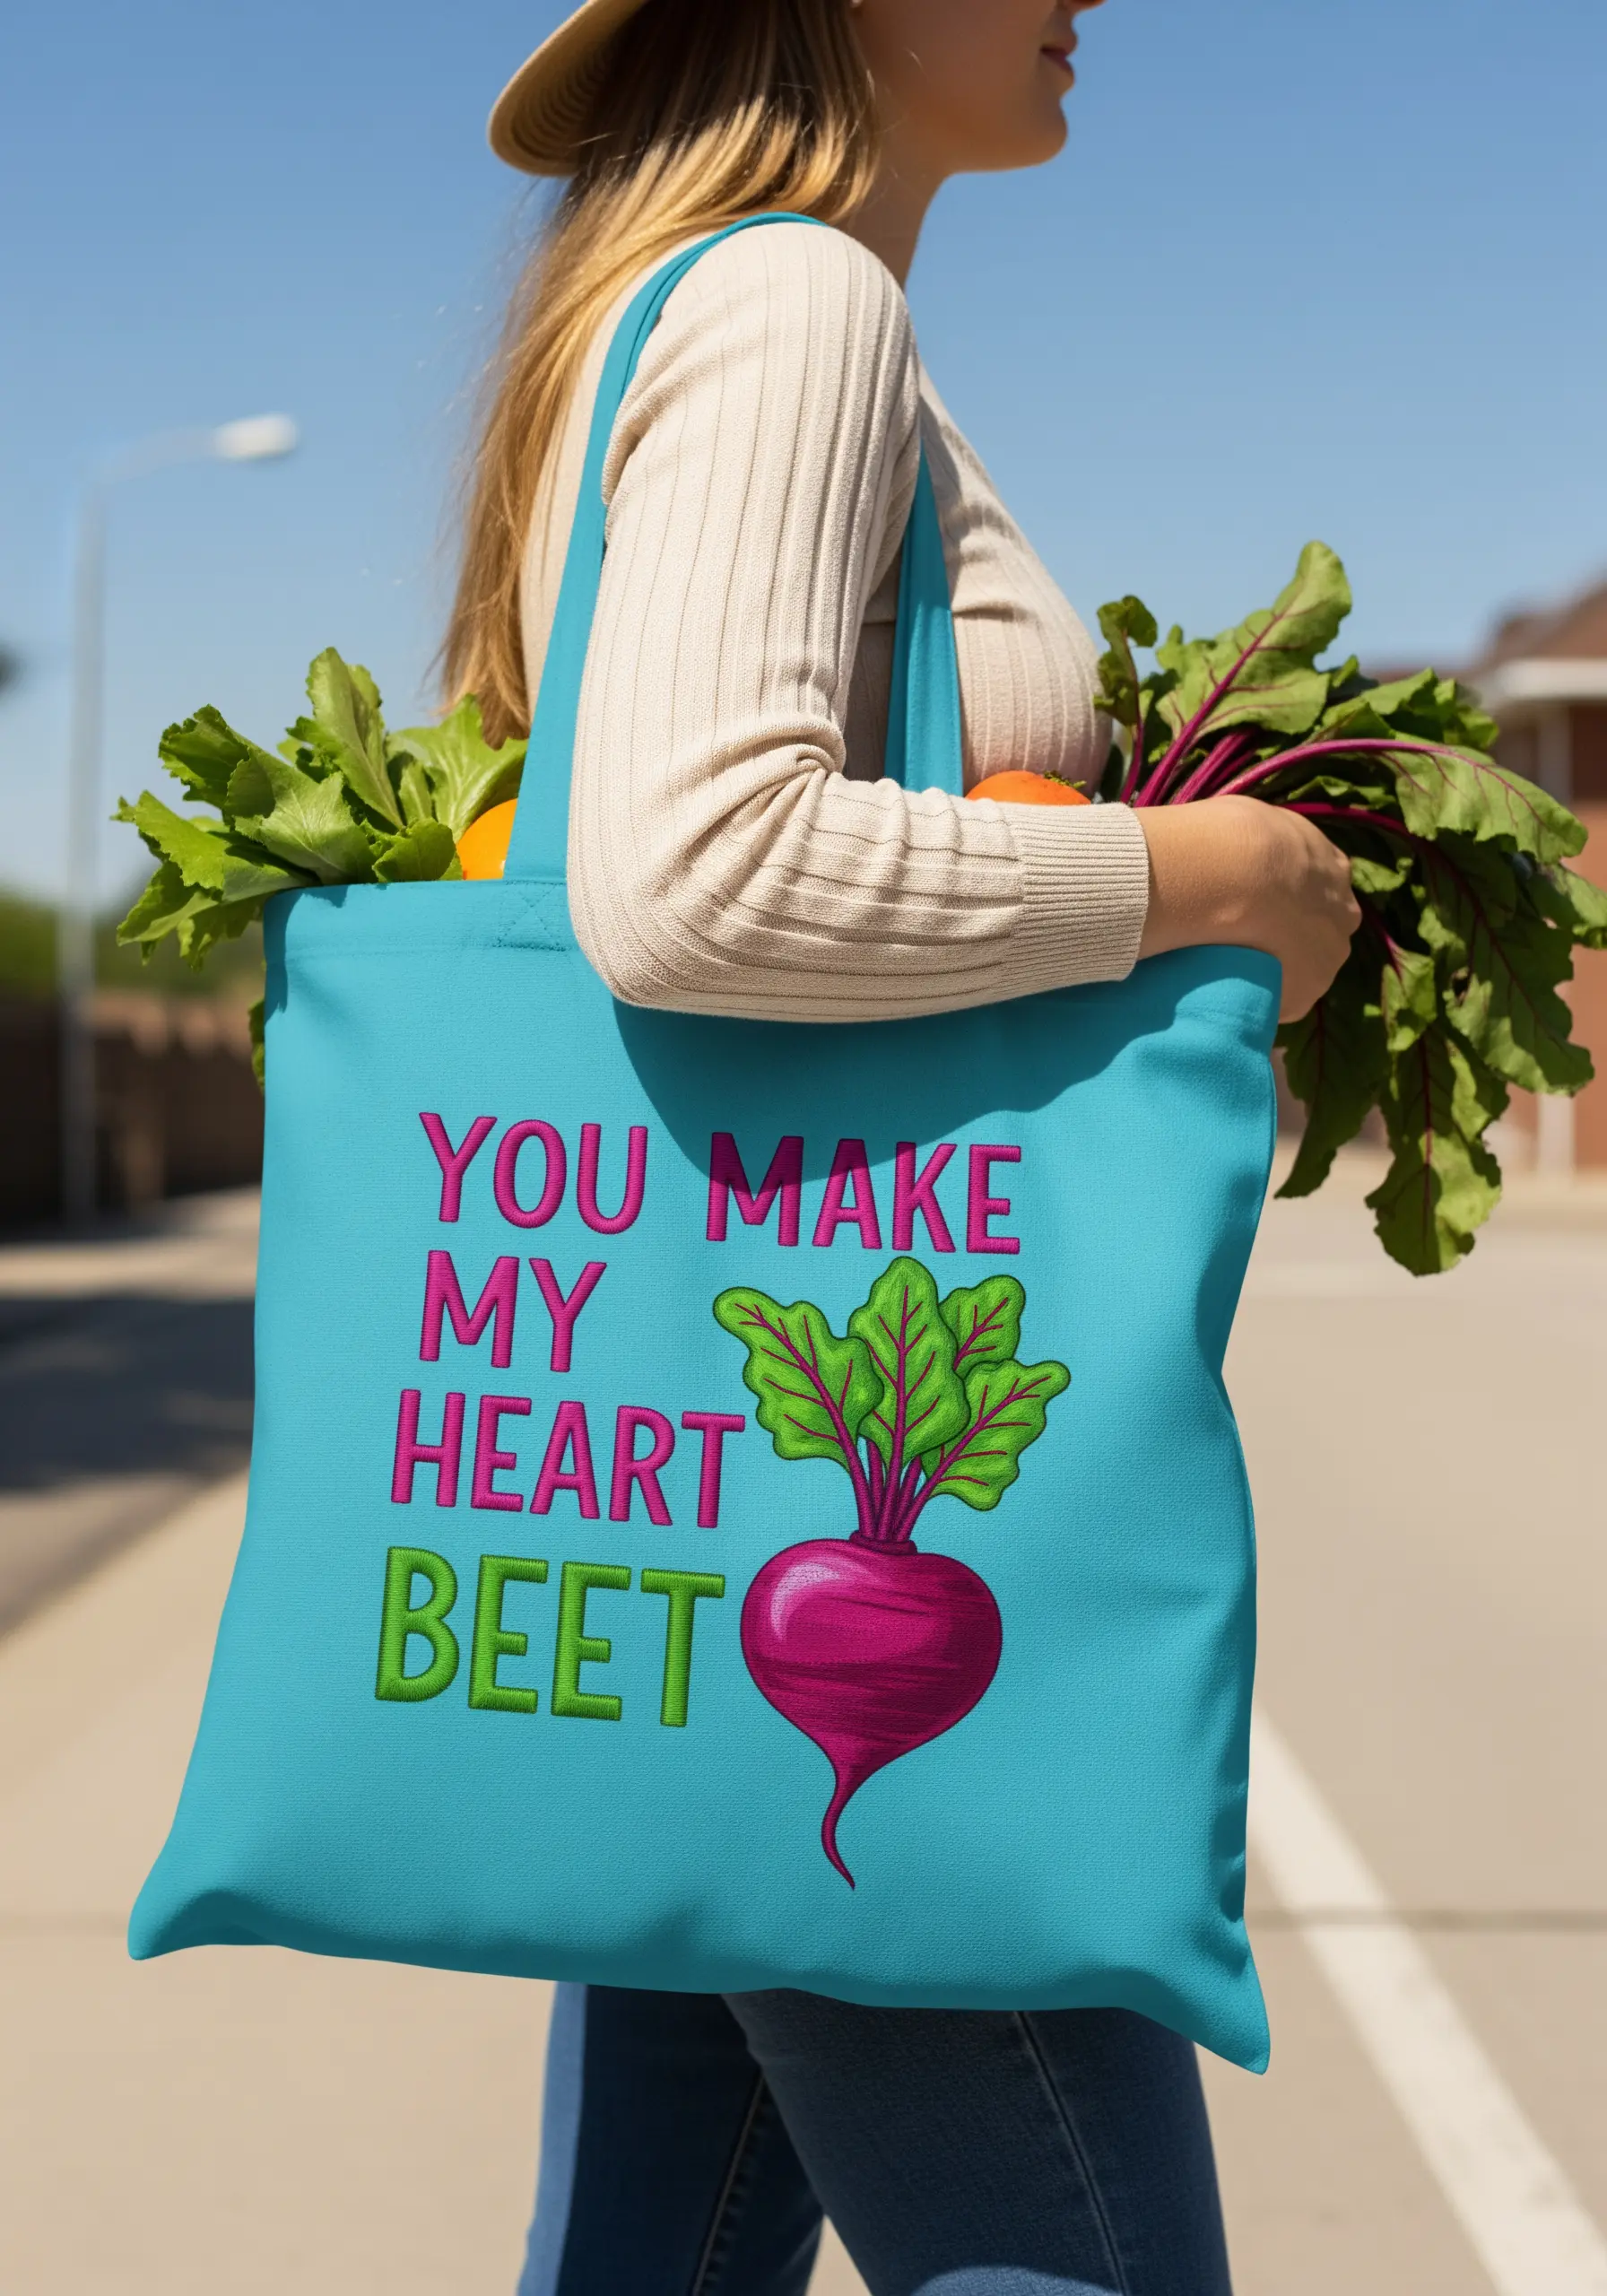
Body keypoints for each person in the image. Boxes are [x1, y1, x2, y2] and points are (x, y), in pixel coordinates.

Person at [447, 4, 1360, 2290]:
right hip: (862, 1524)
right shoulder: (794, 299)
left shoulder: (688, 302)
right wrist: (1196, 886)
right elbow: (694, 873)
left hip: (713, 1510)